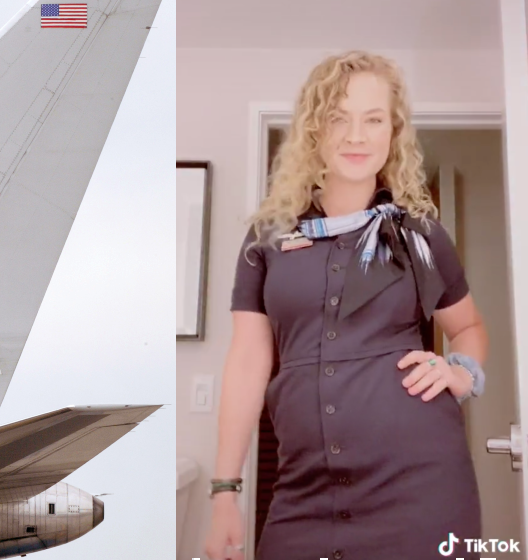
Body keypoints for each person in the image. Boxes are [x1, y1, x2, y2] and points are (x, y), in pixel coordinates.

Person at [204, 50, 488, 560]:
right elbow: (248, 361)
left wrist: (461, 373)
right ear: (315, 130)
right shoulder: (268, 237)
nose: (356, 135)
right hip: (303, 492)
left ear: (393, 132)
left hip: (422, 490)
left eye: (373, 119)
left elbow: (468, 328)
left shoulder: (422, 233)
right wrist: (225, 489)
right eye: (338, 118)